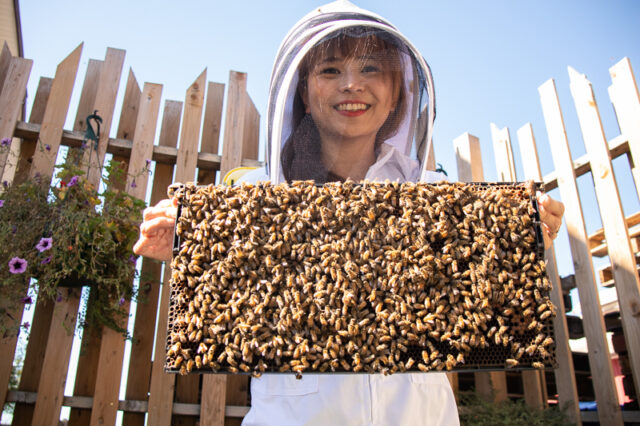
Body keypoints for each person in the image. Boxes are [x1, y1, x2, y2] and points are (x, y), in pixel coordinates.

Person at [134, 1, 565, 424]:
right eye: (330, 70)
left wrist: (519, 238)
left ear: (398, 90)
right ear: (302, 90)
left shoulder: (438, 198)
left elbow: (483, 312)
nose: (352, 84)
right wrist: (189, 244)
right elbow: (226, 305)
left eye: (371, 69)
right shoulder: (252, 197)